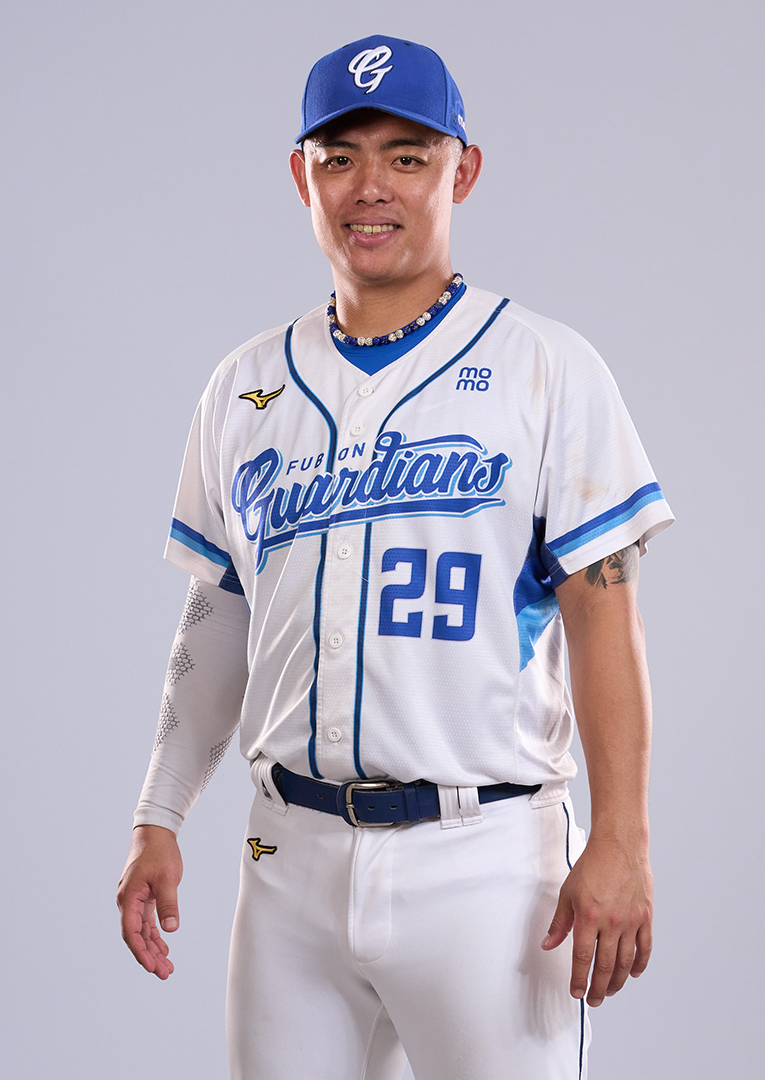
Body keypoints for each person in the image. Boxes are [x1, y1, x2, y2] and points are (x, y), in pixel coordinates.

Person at [117, 34, 673, 1080]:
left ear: (463, 169)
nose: (369, 186)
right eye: (340, 157)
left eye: (407, 156)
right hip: (287, 855)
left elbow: (606, 617)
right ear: (303, 177)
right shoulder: (243, 388)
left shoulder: (547, 369)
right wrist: (160, 813)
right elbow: (220, 618)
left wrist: (622, 840)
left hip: (487, 860)